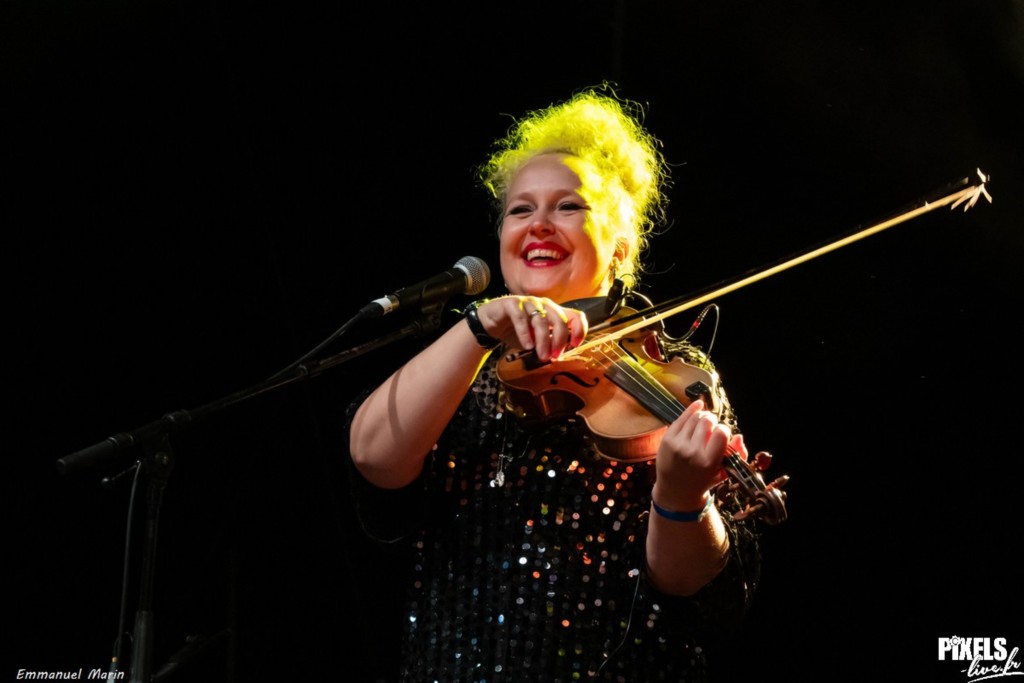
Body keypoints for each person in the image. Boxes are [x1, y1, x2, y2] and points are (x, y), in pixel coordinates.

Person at [345, 87, 765, 681]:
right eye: (520, 210)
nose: (539, 224)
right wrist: (479, 326)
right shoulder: (461, 363)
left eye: (568, 206)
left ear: (619, 247)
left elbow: (698, 590)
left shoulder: (674, 372)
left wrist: (682, 497)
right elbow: (373, 458)